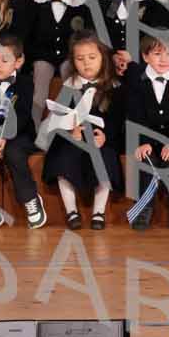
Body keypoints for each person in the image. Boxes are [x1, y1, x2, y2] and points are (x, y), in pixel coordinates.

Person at [43, 33, 117, 230]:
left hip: (101, 139)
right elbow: (58, 115)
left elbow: (118, 120)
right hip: (73, 138)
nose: (86, 63)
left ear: (103, 58)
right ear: (73, 62)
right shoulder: (70, 85)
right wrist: (70, 131)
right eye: (80, 59)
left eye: (92, 57)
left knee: (105, 159)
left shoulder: (113, 86)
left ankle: (98, 212)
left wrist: (106, 136)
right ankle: (71, 211)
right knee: (62, 159)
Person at [0, 34, 45, 228]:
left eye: (4, 60)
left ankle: (30, 198)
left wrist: (5, 136)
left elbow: (22, 114)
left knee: (14, 152)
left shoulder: (26, 83)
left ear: (18, 62)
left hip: (19, 133)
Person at [120, 35, 169, 228]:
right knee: (146, 161)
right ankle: (143, 208)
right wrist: (142, 141)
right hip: (144, 139)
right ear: (145, 57)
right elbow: (135, 115)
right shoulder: (137, 81)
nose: (163, 59)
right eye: (157, 54)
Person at [25, 0, 89, 106]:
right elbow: (27, 37)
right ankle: (35, 121)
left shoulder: (83, 3)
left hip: (70, 56)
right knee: (40, 82)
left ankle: (75, 119)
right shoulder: (34, 2)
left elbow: (87, 37)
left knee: (73, 79)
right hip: (41, 56)